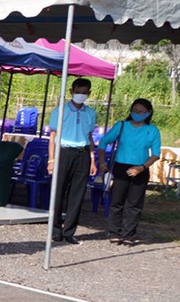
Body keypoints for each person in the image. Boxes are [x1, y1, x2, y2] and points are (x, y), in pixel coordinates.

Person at [100, 98, 162, 247]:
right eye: (135, 111)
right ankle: (114, 232)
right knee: (117, 201)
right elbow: (103, 142)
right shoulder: (121, 126)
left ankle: (129, 234)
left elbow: (155, 154)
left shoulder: (153, 130)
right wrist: (102, 163)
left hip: (141, 168)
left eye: (141, 112)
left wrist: (142, 167)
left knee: (135, 204)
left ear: (148, 113)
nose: (137, 114)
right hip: (120, 167)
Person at [46, 77, 99, 245]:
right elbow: (53, 136)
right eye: (77, 92)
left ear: (89, 93)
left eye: (84, 93)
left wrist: (92, 159)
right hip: (64, 152)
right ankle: (55, 230)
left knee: (77, 194)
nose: (80, 95)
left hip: (82, 153)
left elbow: (90, 137)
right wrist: (51, 159)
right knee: (58, 191)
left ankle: (69, 231)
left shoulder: (90, 113)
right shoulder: (60, 110)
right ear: (71, 92)